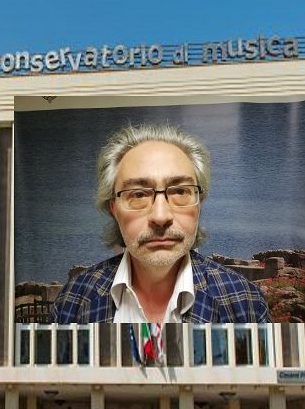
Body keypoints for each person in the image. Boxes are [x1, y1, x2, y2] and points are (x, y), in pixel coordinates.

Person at [50, 123, 271, 323]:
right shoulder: (73, 301)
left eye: (180, 191)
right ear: (114, 209)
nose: (160, 216)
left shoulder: (245, 304)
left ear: (199, 204)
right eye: (138, 194)